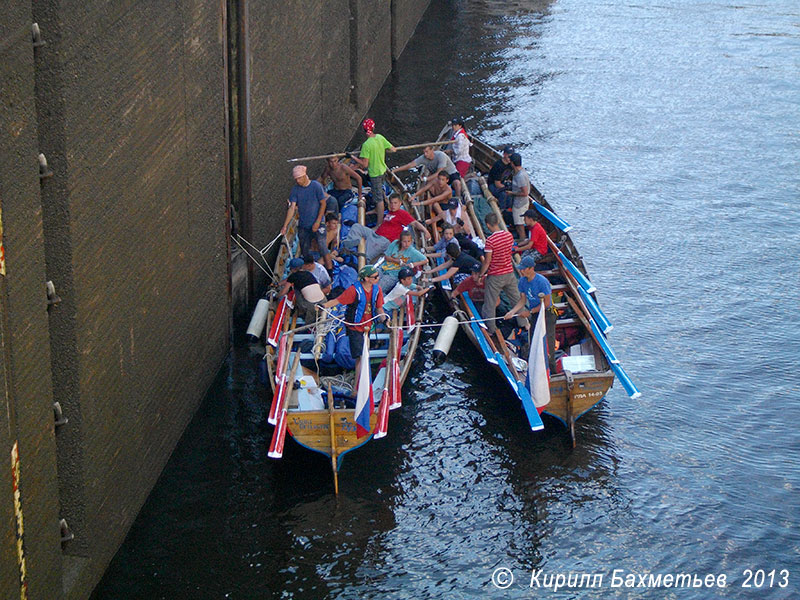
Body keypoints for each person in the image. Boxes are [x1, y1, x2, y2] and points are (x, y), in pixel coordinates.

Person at [321, 265, 388, 383]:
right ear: (366, 279)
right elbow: (337, 301)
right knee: (360, 357)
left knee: (363, 354)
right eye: (375, 277)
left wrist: (385, 320)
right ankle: (358, 386)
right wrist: (323, 306)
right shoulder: (353, 290)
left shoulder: (377, 290)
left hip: (368, 326)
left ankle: (360, 383)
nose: (378, 278)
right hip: (355, 327)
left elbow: (379, 309)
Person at [341, 194, 430, 262]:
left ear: (400, 203)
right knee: (357, 227)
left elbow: (414, 223)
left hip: (384, 240)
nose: (393, 205)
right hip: (375, 234)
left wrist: (425, 231)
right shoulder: (389, 213)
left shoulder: (402, 213)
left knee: (364, 256)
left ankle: (361, 267)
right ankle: (350, 246)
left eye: (395, 203)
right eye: (391, 203)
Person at [503, 255, 556, 369]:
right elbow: (522, 300)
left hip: (547, 313)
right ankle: (535, 366)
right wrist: (512, 312)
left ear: (531, 268)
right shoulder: (522, 281)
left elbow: (546, 303)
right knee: (533, 339)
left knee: (548, 342)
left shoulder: (542, 282)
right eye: (520, 269)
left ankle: (552, 369)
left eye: (523, 269)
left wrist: (530, 311)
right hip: (535, 313)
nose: (521, 271)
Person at [477, 212, 525, 335]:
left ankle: (491, 330)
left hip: (495, 277)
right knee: (516, 300)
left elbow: (487, 262)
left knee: (490, 305)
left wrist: (481, 275)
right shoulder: (509, 236)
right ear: (497, 222)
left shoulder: (490, 241)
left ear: (488, 225)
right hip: (509, 274)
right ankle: (524, 323)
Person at [281, 165, 332, 269]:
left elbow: (323, 204)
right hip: (304, 224)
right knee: (304, 249)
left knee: (322, 246)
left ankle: (330, 270)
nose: (298, 181)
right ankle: (309, 269)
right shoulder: (295, 190)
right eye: (296, 179)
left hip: (318, 222)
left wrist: (317, 222)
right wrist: (285, 226)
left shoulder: (316, 186)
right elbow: (292, 208)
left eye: (299, 178)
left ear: (305, 176)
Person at [350, 118, 395, 227]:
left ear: (364, 130)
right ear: (373, 128)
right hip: (383, 170)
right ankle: (376, 209)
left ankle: (379, 223)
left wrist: (352, 157)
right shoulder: (379, 137)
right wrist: (382, 150)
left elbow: (364, 164)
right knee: (377, 193)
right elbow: (393, 149)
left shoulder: (366, 145)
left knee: (379, 199)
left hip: (375, 174)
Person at [393, 146, 462, 196]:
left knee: (457, 183)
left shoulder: (441, 155)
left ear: (432, 150)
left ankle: (458, 199)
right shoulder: (423, 158)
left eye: (427, 152)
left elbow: (439, 173)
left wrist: (426, 179)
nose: (425, 154)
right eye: (424, 152)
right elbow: (410, 165)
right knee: (430, 187)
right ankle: (435, 199)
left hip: (450, 174)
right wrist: (395, 170)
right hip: (439, 177)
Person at [278, 257, 327, 324]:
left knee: (296, 288)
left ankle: (301, 311)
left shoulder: (293, 277)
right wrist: (279, 284)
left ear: (293, 269)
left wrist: (276, 296)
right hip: (324, 301)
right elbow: (288, 280)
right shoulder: (308, 274)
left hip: (311, 306)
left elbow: (284, 291)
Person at [508, 153, 531, 240]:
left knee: (519, 225)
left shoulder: (520, 176)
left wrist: (512, 193)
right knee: (518, 224)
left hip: (520, 204)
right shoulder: (520, 172)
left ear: (513, 163)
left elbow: (525, 193)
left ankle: (522, 241)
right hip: (520, 203)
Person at [488, 146, 514, 210]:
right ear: (504, 155)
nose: (510, 159)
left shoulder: (511, 164)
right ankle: (502, 210)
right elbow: (497, 184)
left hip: (502, 183)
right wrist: (507, 188)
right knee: (503, 194)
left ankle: (510, 209)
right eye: (509, 157)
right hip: (493, 185)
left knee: (511, 195)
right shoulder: (498, 166)